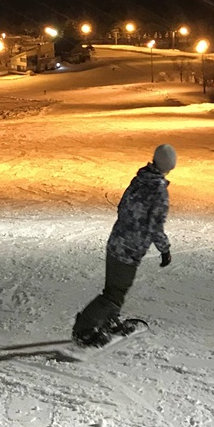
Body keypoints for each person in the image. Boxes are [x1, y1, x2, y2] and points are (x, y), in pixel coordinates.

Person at [72, 144, 175, 347]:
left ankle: (107, 321)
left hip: (116, 242)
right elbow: (155, 227)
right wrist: (165, 250)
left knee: (114, 288)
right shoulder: (159, 191)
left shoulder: (139, 179)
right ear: (169, 165)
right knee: (114, 294)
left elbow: (122, 206)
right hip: (129, 250)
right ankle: (83, 330)